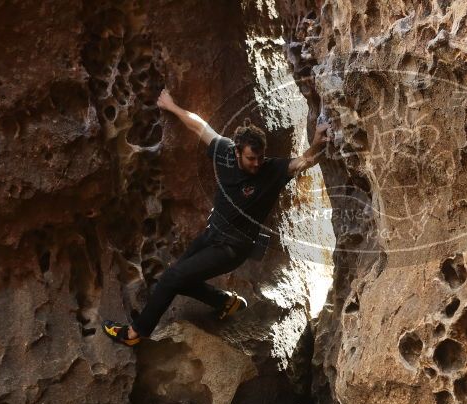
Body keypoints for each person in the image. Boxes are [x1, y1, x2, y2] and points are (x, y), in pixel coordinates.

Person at [102, 88, 331, 346]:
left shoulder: (271, 170)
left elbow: (303, 162)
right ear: (237, 152)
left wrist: (317, 142)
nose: (257, 163)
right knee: (177, 277)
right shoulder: (224, 152)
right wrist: (172, 106)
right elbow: (200, 127)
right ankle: (225, 302)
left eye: (260, 158)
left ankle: (134, 333)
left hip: (233, 248)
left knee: (171, 279)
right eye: (251, 158)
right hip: (212, 235)